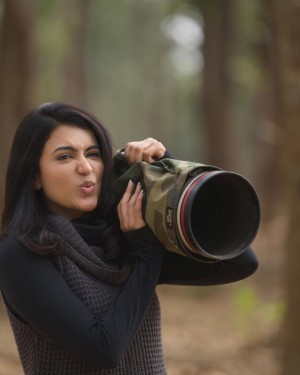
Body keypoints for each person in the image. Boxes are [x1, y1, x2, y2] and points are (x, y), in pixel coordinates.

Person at [0, 102, 258, 375]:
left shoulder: (119, 235)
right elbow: (103, 349)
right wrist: (146, 253)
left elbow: (239, 261)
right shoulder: (20, 253)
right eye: (65, 157)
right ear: (34, 177)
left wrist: (169, 169)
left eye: (93, 153)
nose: (86, 168)